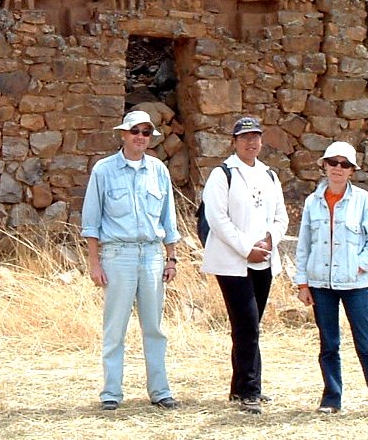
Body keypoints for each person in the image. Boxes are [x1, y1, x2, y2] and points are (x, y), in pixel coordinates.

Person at [81, 109, 181, 412]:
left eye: (146, 132)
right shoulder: (104, 170)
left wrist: (172, 257)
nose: (140, 137)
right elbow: (91, 220)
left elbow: (169, 218)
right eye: (135, 131)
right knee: (115, 329)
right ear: (123, 134)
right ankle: (111, 393)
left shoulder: (158, 170)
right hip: (118, 255)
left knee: (155, 328)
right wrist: (94, 262)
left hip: (151, 255)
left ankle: (160, 391)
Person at [294, 140, 368, 420]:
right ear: (324, 166)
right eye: (333, 162)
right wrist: (302, 283)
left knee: (367, 344)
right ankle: (331, 398)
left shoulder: (363, 200)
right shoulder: (312, 202)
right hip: (320, 284)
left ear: (352, 170)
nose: (338, 168)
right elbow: (304, 245)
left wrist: (360, 266)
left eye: (345, 164)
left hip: (356, 286)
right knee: (329, 344)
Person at [200, 115, 289, 414]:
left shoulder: (269, 175)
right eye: (244, 137)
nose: (251, 142)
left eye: (256, 137)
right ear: (234, 141)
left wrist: (269, 240)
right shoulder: (222, 174)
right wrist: (245, 248)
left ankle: (239, 387)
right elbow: (217, 218)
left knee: (248, 326)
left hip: (262, 261)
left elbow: (281, 217)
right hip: (232, 264)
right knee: (248, 324)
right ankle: (251, 390)